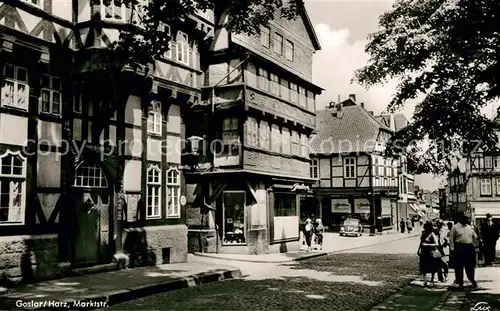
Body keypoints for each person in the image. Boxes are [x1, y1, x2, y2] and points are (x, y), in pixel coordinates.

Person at [449, 213, 478, 289]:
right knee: (459, 267)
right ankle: (459, 283)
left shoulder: (469, 227)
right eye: (466, 218)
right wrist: (452, 249)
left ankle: (472, 280)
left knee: (470, 266)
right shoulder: (455, 227)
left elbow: (475, 236)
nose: (467, 220)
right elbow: (451, 239)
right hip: (459, 248)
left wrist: (474, 245)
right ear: (461, 219)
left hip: (469, 248)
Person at [418, 221, 440, 287]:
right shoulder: (423, 233)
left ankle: (432, 280)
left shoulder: (432, 234)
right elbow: (421, 242)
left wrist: (427, 245)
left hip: (430, 252)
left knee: (432, 266)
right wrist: (418, 249)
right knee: (423, 265)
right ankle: (424, 281)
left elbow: (437, 244)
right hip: (423, 251)